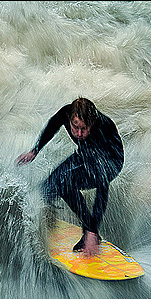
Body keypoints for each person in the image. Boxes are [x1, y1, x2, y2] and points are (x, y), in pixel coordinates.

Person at [17, 97, 124, 257]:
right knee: (46, 189)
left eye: (84, 129)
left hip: (110, 162)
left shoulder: (102, 128)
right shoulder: (66, 113)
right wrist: (35, 150)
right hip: (85, 154)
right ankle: (48, 215)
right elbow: (53, 124)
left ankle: (90, 232)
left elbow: (103, 187)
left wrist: (92, 230)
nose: (79, 134)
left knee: (65, 184)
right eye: (75, 128)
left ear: (92, 122)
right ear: (70, 119)